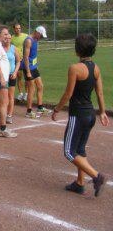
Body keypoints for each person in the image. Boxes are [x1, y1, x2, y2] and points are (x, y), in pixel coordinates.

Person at [52, 33, 109, 197]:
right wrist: (103, 112)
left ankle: (97, 177)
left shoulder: (75, 68)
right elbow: (100, 93)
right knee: (80, 149)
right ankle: (79, 183)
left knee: (69, 152)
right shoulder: (96, 68)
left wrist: (56, 109)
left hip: (78, 115)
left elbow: (68, 94)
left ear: (77, 50)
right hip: (90, 114)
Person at [23, 26, 52, 118]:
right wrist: (28, 71)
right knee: (32, 89)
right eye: (41, 35)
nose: (41, 37)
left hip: (34, 67)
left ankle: (40, 107)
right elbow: (26, 57)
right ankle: (29, 111)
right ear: (36, 32)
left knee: (40, 86)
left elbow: (34, 54)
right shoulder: (28, 40)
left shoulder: (36, 40)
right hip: (28, 68)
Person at [3, 34, 21, 124]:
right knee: (2, 96)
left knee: (10, 96)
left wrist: (15, 72)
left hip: (11, 75)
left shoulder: (14, 48)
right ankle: (1, 113)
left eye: (9, 38)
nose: (8, 40)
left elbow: (18, 61)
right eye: (6, 38)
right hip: (2, 76)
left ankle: (9, 115)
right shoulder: (0, 48)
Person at [11, 23, 28, 101]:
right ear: (14, 29)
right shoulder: (11, 38)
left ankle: (26, 94)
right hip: (17, 60)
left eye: (19, 28)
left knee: (27, 77)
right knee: (19, 77)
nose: (18, 30)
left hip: (25, 59)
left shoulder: (25, 36)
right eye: (16, 28)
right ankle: (21, 93)